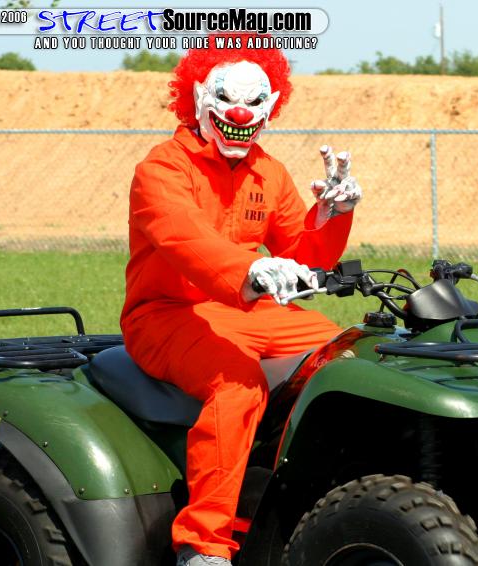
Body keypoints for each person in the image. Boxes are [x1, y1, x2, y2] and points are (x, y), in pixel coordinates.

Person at [119, 34, 363, 566]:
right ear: (198, 97)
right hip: (165, 315)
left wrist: (330, 215)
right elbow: (184, 238)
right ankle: (203, 545)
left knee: (350, 349)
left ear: (272, 105)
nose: (239, 113)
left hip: (244, 310)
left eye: (254, 102)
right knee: (238, 383)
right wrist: (249, 271)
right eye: (228, 98)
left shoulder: (267, 172)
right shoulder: (162, 169)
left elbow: (303, 254)